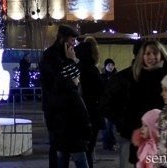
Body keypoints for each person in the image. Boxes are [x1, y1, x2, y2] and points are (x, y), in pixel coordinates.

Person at [102, 39, 167, 167]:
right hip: (133, 136)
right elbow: (107, 104)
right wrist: (124, 124)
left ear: (161, 54)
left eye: (155, 53)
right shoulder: (128, 77)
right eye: (147, 54)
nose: (151, 57)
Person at [41, 24, 90, 168]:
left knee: (70, 148)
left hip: (72, 109)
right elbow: (68, 81)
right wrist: (70, 62)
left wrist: (73, 61)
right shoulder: (50, 57)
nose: (73, 45)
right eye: (72, 41)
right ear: (62, 39)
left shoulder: (69, 55)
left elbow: (77, 79)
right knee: (58, 148)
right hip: (56, 109)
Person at [76, 37, 105, 168]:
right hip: (92, 113)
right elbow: (101, 91)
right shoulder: (92, 70)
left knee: (84, 150)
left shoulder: (77, 68)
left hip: (80, 113)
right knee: (88, 150)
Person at [101, 59, 118, 152]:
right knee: (105, 126)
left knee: (111, 126)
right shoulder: (102, 77)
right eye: (109, 65)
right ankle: (106, 144)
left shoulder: (117, 76)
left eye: (112, 64)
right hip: (105, 105)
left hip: (114, 105)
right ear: (105, 66)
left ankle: (112, 143)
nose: (111, 66)